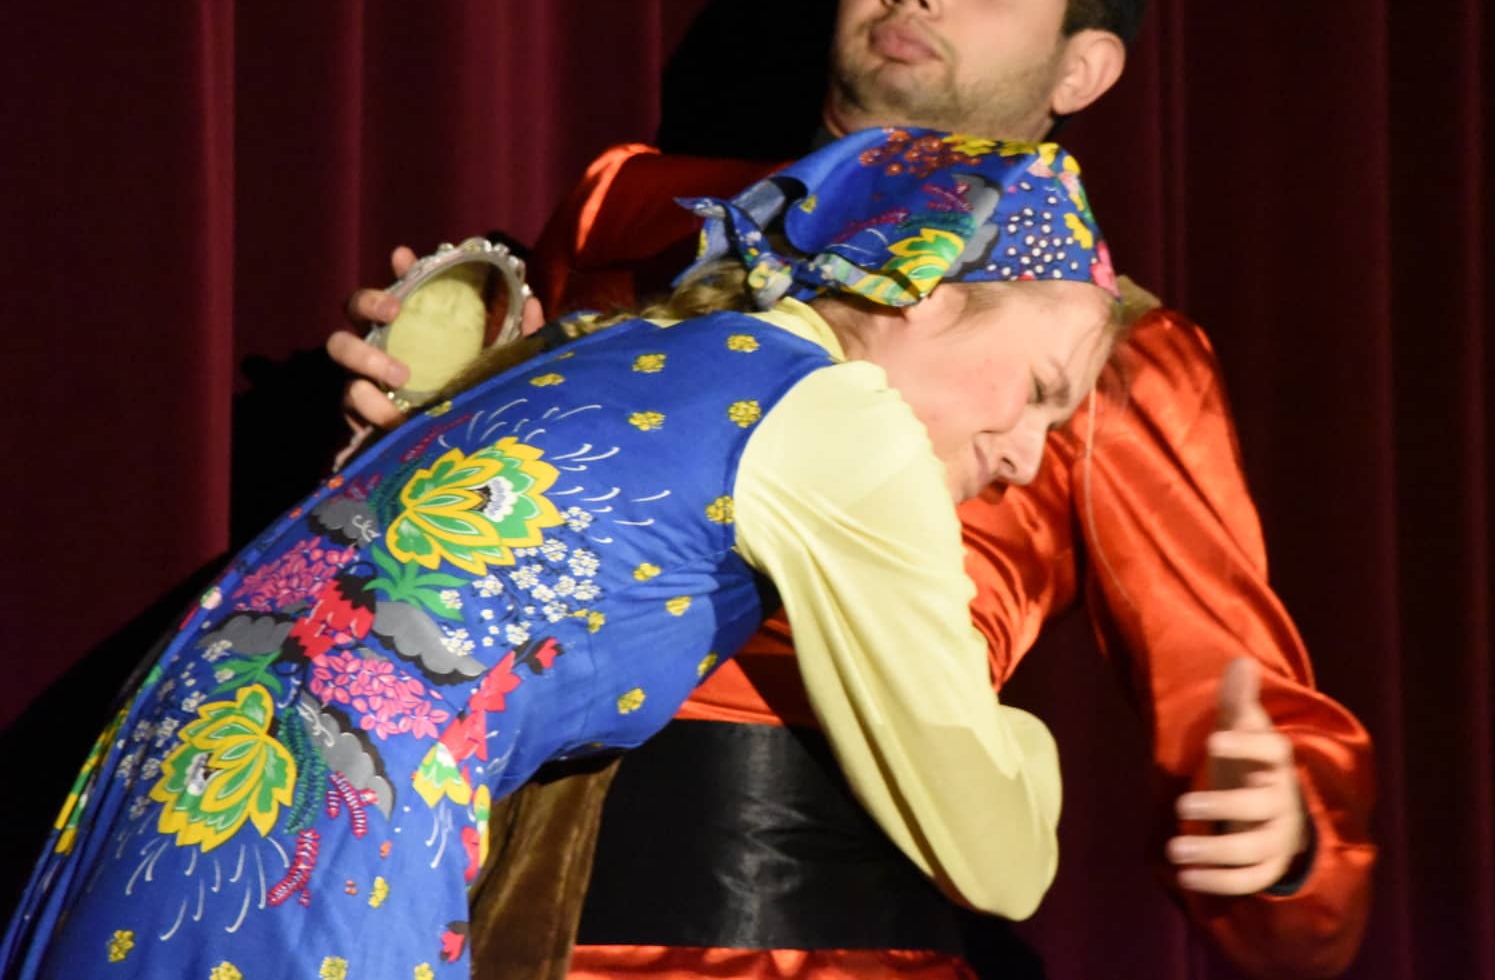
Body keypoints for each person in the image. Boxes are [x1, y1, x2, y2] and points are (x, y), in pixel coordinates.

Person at [332, 0, 1376, 979]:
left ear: (1081, 66)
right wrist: (410, 430)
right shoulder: (639, 213)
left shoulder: (1118, 351)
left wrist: (1286, 838)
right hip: (496, 915)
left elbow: (1249, 708)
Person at [1, 129, 1124, 980]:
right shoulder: (842, 418)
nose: (1027, 457)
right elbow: (995, 855)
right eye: (1041, 389)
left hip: (156, 808)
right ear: (924, 290)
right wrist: (1028, 748)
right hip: (314, 854)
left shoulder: (625, 340)